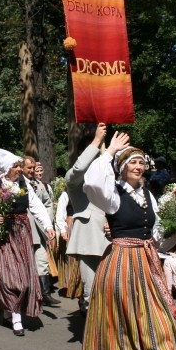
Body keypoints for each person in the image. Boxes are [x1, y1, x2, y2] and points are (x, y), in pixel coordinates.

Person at [81, 131, 176, 350]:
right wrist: (108, 151)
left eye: (141, 163)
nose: (139, 167)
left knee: (157, 320)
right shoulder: (113, 195)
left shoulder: (148, 195)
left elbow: (154, 232)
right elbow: (91, 182)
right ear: (122, 167)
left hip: (147, 262)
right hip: (120, 264)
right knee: (121, 321)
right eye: (132, 163)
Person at [0, 149, 56, 336]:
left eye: (19, 166)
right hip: (2, 235)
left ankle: (10, 311)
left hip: (21, 232)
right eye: (15, 166)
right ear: (7, 169)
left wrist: (47, 226)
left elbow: (36, 206)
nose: (19, 169)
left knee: (22, 276)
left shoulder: (25, 184)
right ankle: (15, 317)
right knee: (8, 277)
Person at [65, 123, 111, 314]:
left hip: (114, 237)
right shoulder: (74, 181)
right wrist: (96, 141)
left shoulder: (109, 175)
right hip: (90, 238)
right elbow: (78, 169)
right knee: (92, 291)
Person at [22, 156, 60, 307]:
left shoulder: (39, 185)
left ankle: (45, 294)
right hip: (24, 228)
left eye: (33, 168)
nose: (32, 171)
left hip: (38, 229)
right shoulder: (18, 184)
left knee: (42, 260)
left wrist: (47, 223)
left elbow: (47, 203)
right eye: (29, 168)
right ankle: (28, 294)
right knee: (25, 261)